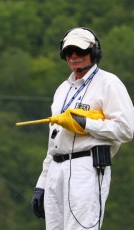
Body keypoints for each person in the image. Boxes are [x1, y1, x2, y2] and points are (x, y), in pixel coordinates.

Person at [31, 27, 134, 230]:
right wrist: (42, 182)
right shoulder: (62, 89)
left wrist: (87, 124)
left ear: (94, 53)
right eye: (69, 51)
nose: (74, 56)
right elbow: (54, 142)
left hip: (87, 167)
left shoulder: (109, 83)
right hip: (55, 169)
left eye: (80, 50)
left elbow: (127, 129)